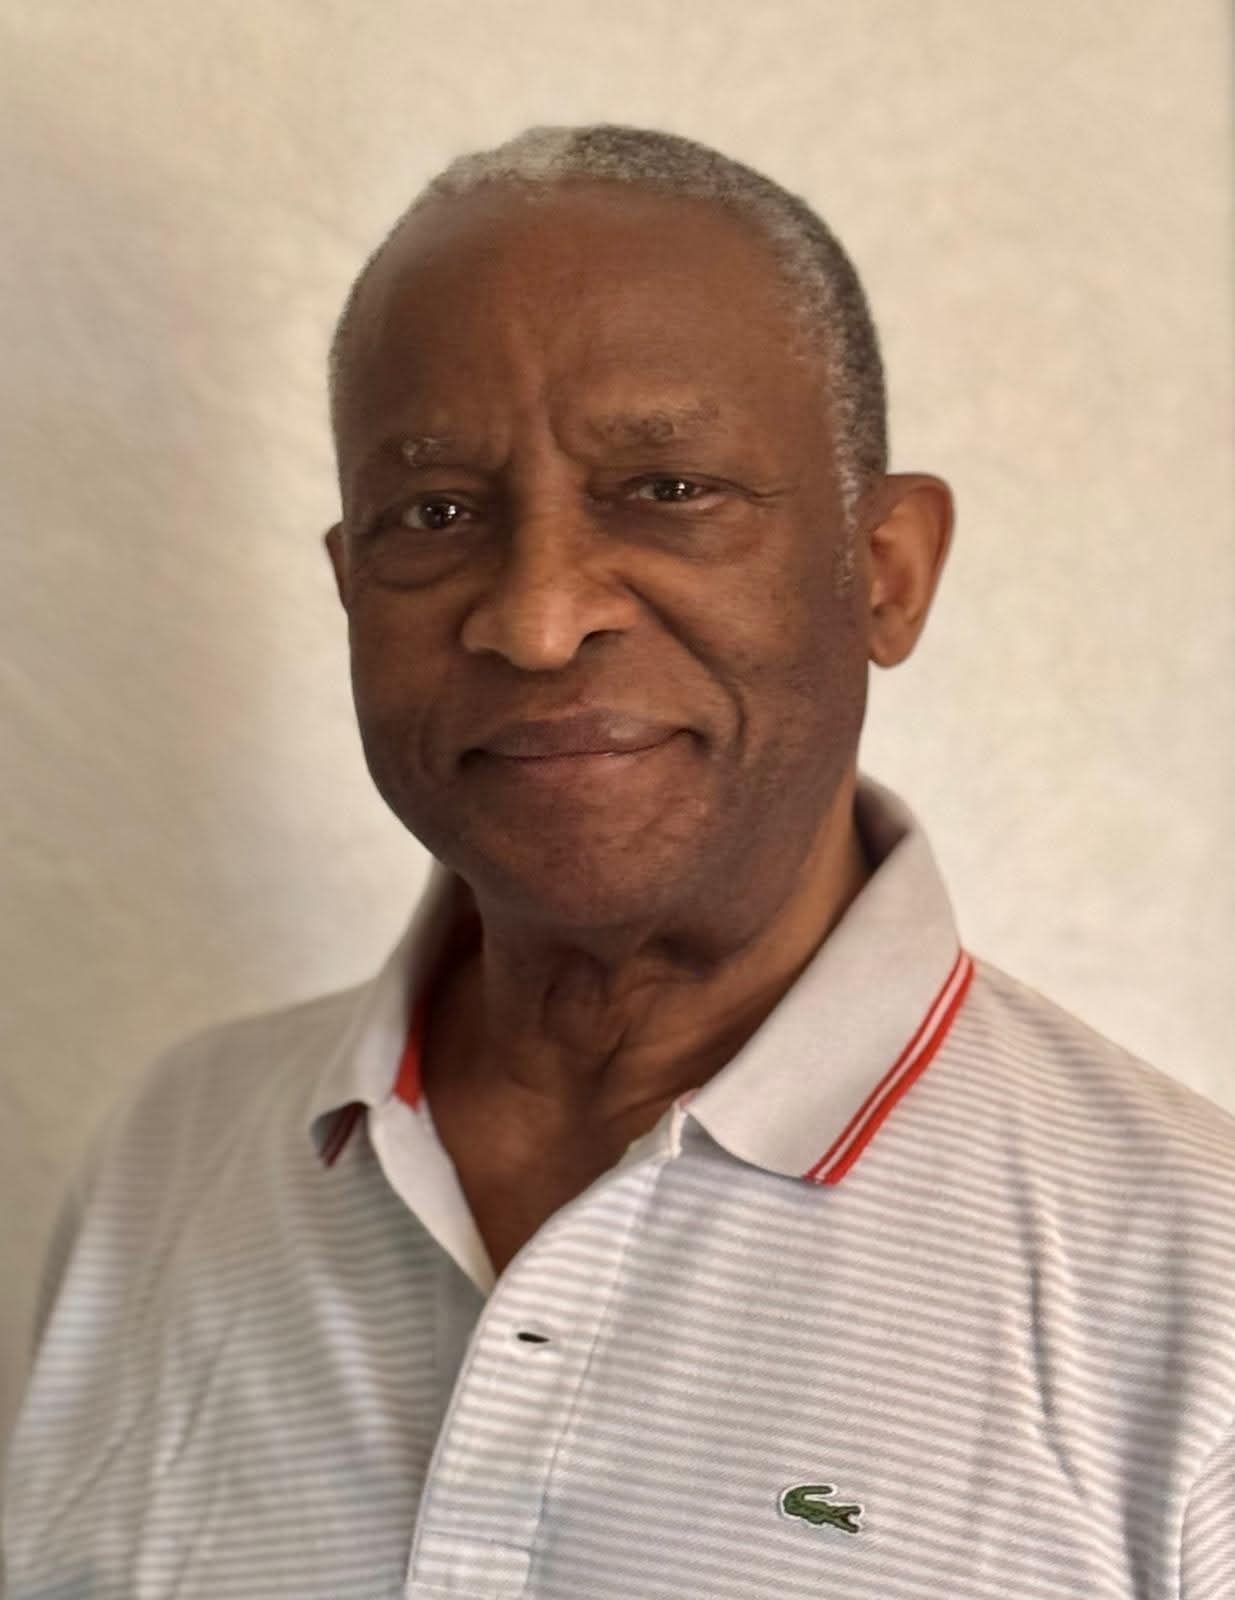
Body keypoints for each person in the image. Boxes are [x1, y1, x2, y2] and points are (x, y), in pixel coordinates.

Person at [4, 124, 1233, 1599]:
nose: (536, 620)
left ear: (886, 571)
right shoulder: (169, 1159)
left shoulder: (1192, 1293)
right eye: (436, 515)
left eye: (667, 490)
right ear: (349, 586)